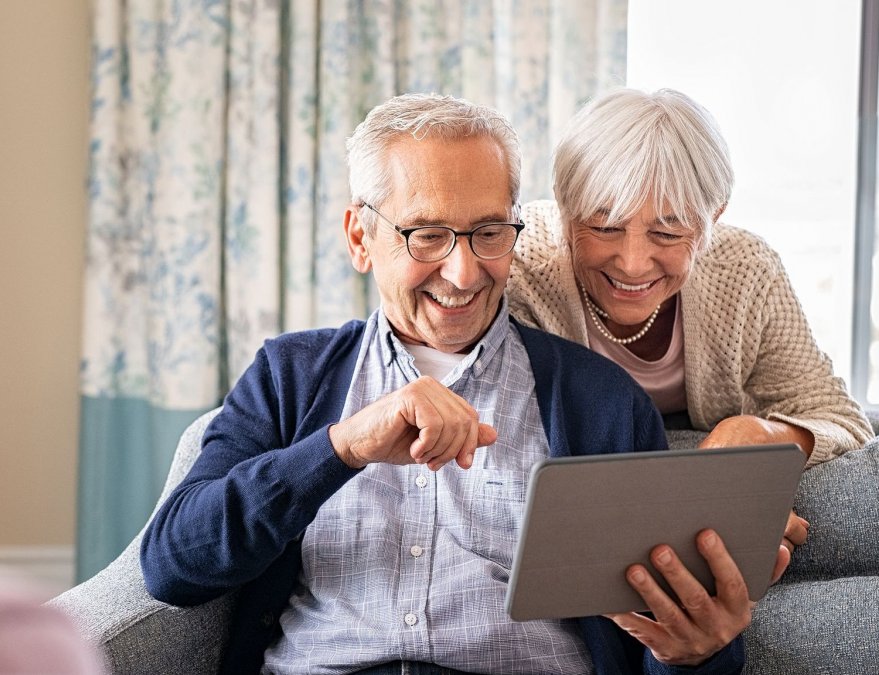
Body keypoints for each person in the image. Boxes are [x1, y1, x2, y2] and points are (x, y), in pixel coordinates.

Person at [141, 93, 755, 674]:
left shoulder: (600, 401)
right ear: (361, 237)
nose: (463, 273)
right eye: (427, 234)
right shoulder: (290, 376)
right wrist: (342, 447)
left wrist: (696, 654)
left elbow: (656, 635)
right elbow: (173, 566)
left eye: (489, 232)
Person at [505, 87, 875, 554]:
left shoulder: (745, 270)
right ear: (563, 206)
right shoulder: (521, 264)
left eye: (667, 232)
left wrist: (766, 436)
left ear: (711, 220)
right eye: (604, 227)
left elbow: (843, 420)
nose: (634, 263)